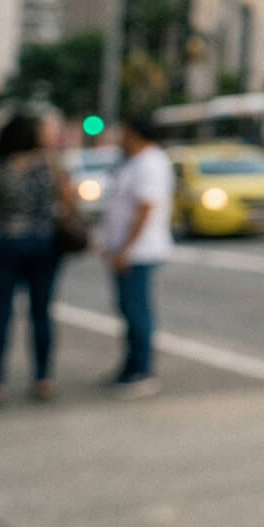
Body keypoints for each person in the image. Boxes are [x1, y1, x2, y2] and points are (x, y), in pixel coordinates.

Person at [0, 113, 76, 405]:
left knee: (1, 314)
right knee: (41, 313)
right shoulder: (49, 164)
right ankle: (43, 378)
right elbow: (69, 199)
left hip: (4, 244)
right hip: (43, 243)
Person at [102, 114, 175, 398]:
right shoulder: (134, 162)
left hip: (140, 251)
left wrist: (125, 249)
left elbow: (145, 208)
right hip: (128, 250)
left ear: (134, 133)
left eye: (123, 131)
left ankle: (142, 370)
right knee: (128, 309)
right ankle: (130, 365)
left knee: (136, 310)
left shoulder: (151, 163)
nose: (119, 137)